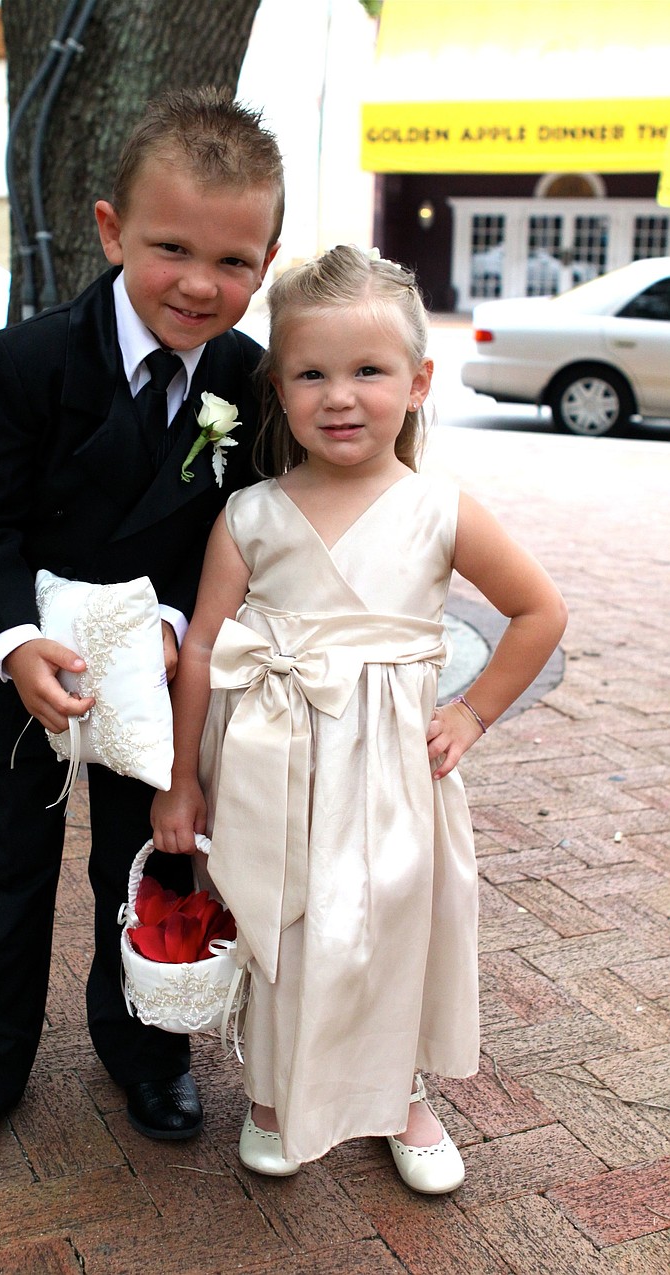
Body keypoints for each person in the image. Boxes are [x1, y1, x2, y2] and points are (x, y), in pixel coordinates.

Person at [0, 87, 284, 1175]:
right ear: (112, 228)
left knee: (150, 860)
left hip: (159, 678)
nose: (200, 284)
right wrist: (16, 643)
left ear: (266, 257)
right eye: (171, 248)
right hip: (29, 661)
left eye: (234, 260)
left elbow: (242, 528)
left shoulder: (245, 379)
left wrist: (175, 626)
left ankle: (149, 1049)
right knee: (5, 862)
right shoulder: (26, 362)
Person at [150, 245, 567, 1191]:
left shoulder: (437, 510)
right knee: (283, 923)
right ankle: (273, 1090)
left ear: (418, 382)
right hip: (272, 765)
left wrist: (472, 713)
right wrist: (182, 779)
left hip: (387, 771)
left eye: (369, 371)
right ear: (279, 389)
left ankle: (399, 1094)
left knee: (386, 924)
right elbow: (207, 649)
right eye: (313, 373)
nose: (341, 396)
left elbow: (539, 611)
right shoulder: (251, 515)